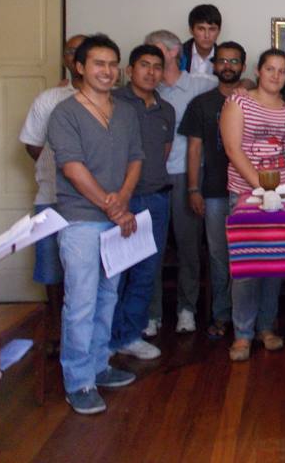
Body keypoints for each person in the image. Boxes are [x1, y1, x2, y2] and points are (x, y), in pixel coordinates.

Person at [47, 34, 143, 415]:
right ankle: (78, 381)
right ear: (80, 67)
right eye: (99, 63)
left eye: (112, 64)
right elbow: (73, 168)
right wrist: (111, 206)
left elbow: (136, 159)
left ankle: (99, 365)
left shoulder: (126, 112)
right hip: (81, 221)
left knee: (108, 298)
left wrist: (123, 199)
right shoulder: (65, 113)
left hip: (118, 219)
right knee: (81, 302)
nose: (107, 71)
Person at [220, 48, 285, 361]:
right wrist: (261, 186)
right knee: (246, 265)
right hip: (247, 194)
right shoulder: (239, 102)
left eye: (282, 71)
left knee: (273, 263)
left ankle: (266, 326)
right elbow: (233, 148)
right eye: (270, 69)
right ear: (258, 71)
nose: (276, 75)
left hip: (283, 195)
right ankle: (242, 333)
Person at [148, 29, 217, 335]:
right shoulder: (147, 88)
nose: (149, 57)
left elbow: (237, 86)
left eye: (155, 50)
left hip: (188, 175)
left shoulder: (201, 84)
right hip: (149, 178)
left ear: (174, 51)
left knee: (189, 247)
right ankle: (151, 314)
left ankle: (186, 309)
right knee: (151, 249)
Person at [108, 45, 175, 361]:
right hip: (120, 199)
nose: (151, 72)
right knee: (115, 273)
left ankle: (129, 335)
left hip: (157, 197)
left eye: (157, 66)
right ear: (130, 70)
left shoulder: (166, 109)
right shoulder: (113, 102)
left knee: (146, 271)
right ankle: (107, 339)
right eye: (144, 65)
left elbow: (163, 152)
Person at [19, 33, 85, 352]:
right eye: (72, 51)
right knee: (51, 267)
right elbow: (32, 143)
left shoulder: (111, 98)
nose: (77, 56)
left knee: (87, 269)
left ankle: (83, 334)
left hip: (92, 201)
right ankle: (57, 332)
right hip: (51, 196)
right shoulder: (49, 98)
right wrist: (55, 166)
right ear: (66, 59)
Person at [179, 41, 247, 338]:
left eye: (234, 61)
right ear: (214, 65)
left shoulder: (252, 99)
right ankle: (221, 314)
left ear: (243, 66)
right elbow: (194, 149)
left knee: (247, 255)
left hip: (249, 190)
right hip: (215, 189)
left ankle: (247, 317)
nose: (228, 66)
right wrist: (193, 189)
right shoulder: (201, 103)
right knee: (219, 255)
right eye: (223, 61)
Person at [179, 4, 222, 77]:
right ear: (191, 30)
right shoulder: (178, 55)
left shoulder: (224, 58)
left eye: (212, 29)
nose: (207, 35)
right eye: (201, 29)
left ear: (219, 31)